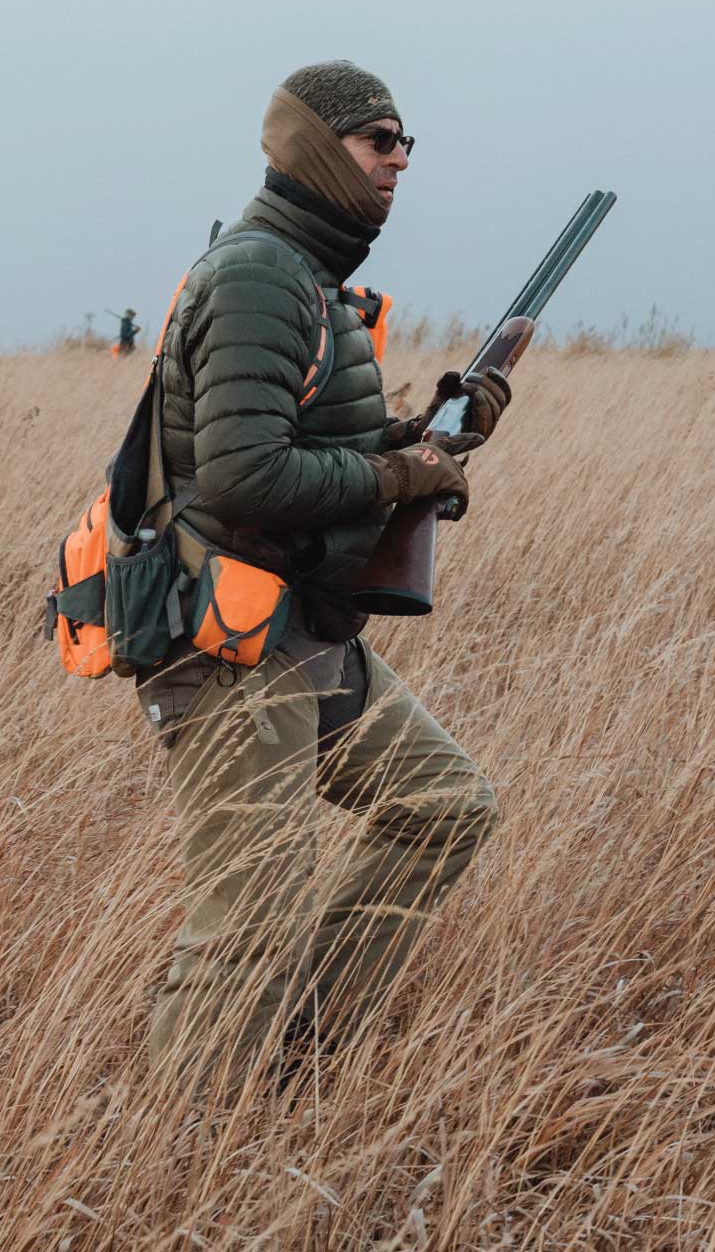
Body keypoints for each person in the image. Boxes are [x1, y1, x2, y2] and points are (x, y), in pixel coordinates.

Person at [136, 60, 513, 1087]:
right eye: (376, 139)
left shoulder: (308, 278)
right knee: (247, 914)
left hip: (297, 627)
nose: (398, 159)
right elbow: (246, 471)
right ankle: (170, 1159)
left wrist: (436, 431)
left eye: (405, 144)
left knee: (442, 805)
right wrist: (399, 468)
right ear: (313, 146)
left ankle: (292, 1061)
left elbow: (313, 441)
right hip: (226, 640)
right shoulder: (260, 273)